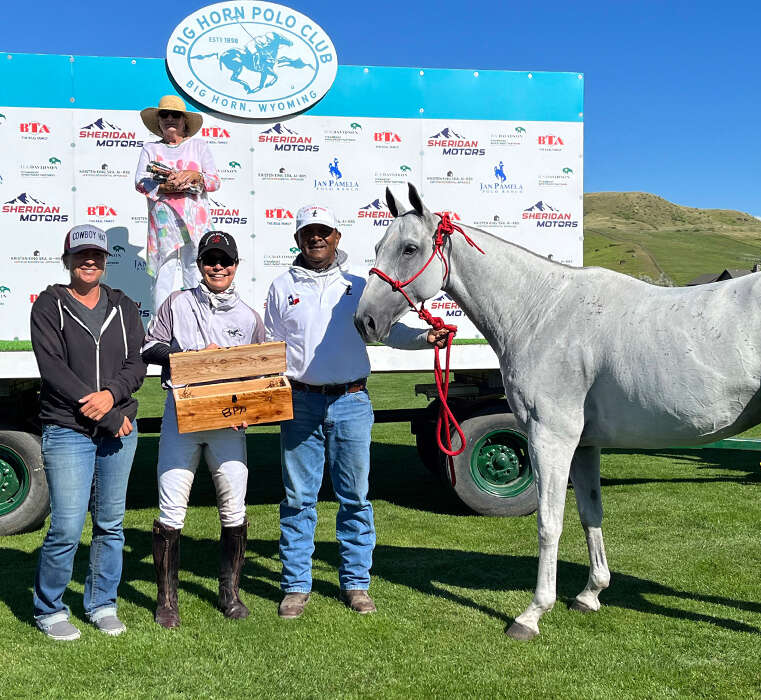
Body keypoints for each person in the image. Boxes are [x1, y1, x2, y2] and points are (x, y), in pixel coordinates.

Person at [264, 205, 448, 618]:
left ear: (337, 237)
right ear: (297, 239)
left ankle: (356, 584)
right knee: (297, 499)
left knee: (355, 499)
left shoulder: (357, 285)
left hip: (351, 401)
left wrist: (424, 339)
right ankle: (296, 586)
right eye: (308, 232)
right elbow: (272, 348)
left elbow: (386, 330)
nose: (316, 238)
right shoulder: (281, 286)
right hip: (299, 403)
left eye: (323, 232)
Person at [141, 230, 265, 628]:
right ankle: (167, 600)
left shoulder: (248, 316)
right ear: (199, 265)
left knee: (234, 508)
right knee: (171, 509)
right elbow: (149, 346)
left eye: (224, 261)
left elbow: (258, 373)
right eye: (210, 260)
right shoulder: (177, 303)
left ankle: (230, 593)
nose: (217, 267)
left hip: (228, 424)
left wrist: (252, 408)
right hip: (182, 415)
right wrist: (193, 358)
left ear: (235, 266)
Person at [29, 225, 146, 640]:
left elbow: (136, 365)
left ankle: (101, 603)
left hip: (118, 427)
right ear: (68, 260)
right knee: (66, 524)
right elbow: (53, 370)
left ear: (105, 259)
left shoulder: (125, 305)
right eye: (81, 255)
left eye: (96, 254)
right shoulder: (49, 305)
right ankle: (49, 609)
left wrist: (112, 398)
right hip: (68, 428)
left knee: (111, 524)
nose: (89, 261)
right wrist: (107, 414)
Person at [135, 94, 221, 313]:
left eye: (176, 115)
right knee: (164, 272)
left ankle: (198, 322)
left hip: (196, 222)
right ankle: (160, 331)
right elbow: (140, 182)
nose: (170, 118)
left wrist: (194, 175)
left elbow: (214, 181)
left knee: (195, 270)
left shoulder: (199, 146)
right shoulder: (150, 149)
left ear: (184, 121)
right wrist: (166, 187)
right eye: (164, 114)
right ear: (158, 121)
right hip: (164, 225)